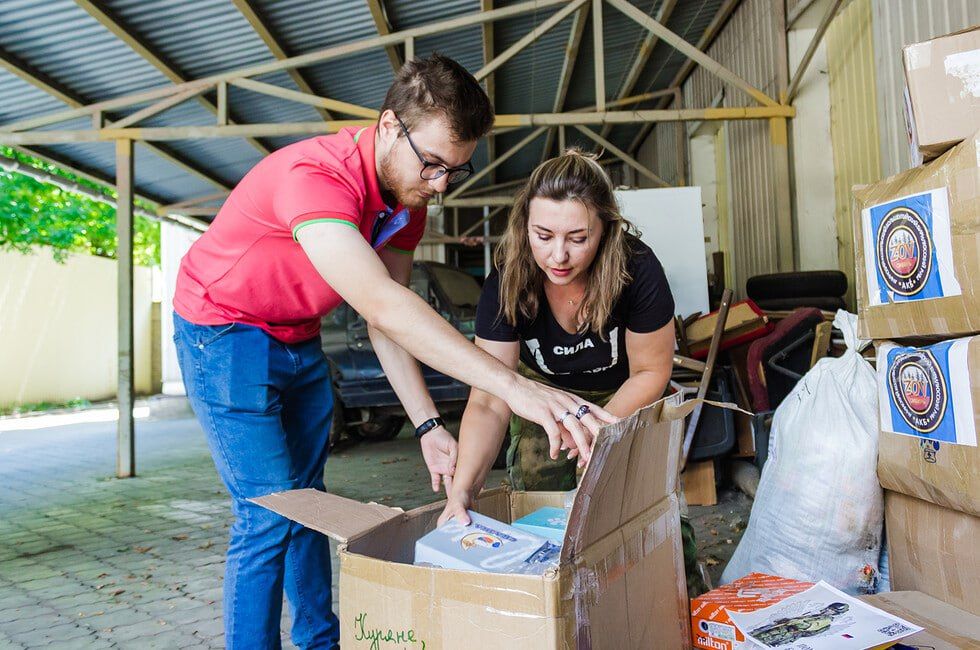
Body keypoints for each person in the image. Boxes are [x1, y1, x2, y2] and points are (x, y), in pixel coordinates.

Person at [171, 56, 614, 649]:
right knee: (268, 513)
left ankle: (320, 641)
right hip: (222, 333)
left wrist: (427, 423)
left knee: (306, 501)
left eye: (453, 171)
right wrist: (519, 389)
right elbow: (381, 305)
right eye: (431, 163)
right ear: (387, 126)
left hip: (297, 334)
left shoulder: (408, 199)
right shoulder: (314, 177)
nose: (438, 185)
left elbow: (391, 318)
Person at [438, 150, 703, 594]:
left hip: (625, 392)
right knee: (541, 516)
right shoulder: (507, 280)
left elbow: (651, 371)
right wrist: (462, 490)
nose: (558, 255)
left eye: (578, 238)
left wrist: (600, 436)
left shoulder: (637, 269)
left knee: (644, 507)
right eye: (543, 235)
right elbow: (488, 398)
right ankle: (562, 614)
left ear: (605, 230)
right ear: (526, 225)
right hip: (540, 396)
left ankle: (682, 606)